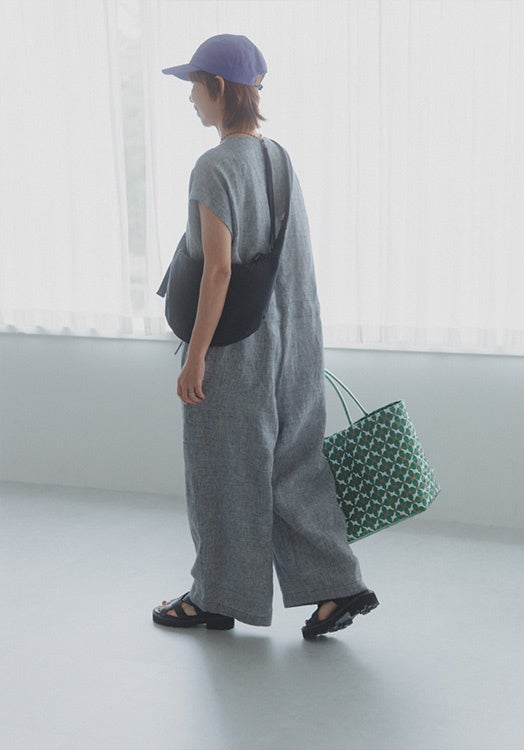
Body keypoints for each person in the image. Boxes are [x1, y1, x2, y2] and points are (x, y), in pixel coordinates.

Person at [152, 34, 379, 639]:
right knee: (298, 467)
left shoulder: (214, 166)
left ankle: (216, 597)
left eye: (194, 86)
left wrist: (196, 358)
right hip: (296, 340)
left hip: (237, 349)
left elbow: (218, 271)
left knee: (224, 470)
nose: (191, 99)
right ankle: (338, 585)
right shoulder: (279, 158)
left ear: (218, 87)